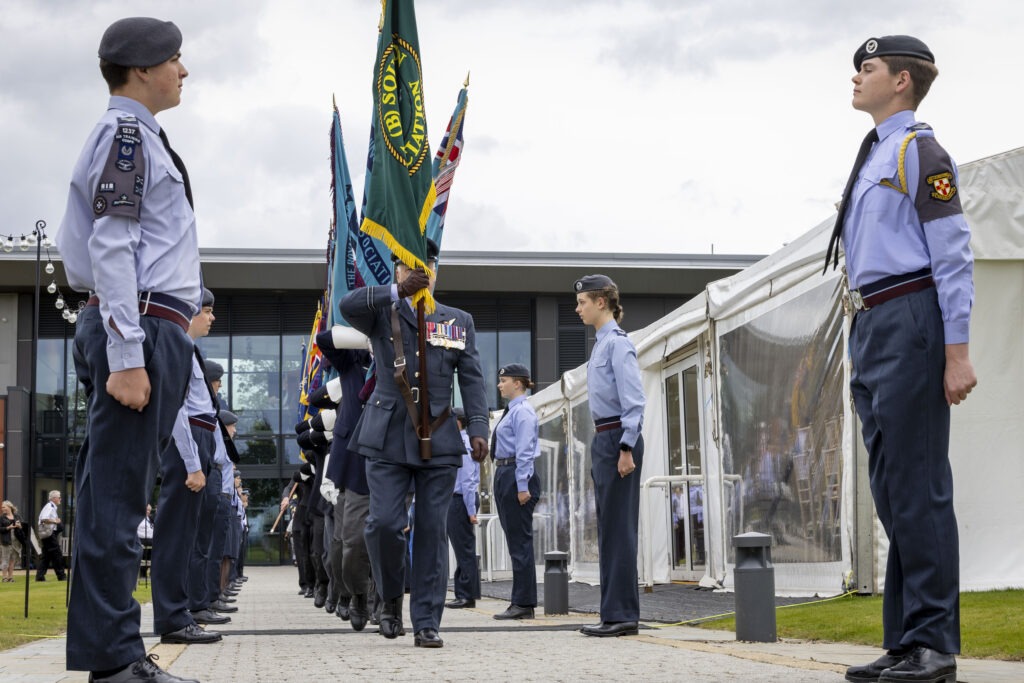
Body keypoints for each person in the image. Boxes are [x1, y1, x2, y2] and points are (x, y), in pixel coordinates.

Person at [55, 16, 202, 681]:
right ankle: (116, 663)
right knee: (117, 502)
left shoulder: (135, 137)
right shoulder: (126, 137)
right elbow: (113, 247)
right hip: (138, 325)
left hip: (144, 322)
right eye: (175, 59)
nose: (183, 70)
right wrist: (128, 356)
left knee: (113, 496)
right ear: (142, 70)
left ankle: (111, 653)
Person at [827, 36, 975, 683]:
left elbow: (952, 252)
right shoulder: (874, 156)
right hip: (871, 320)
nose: (857, 76)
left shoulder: (921, 151)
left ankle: (935, 643)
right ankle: (905, 640)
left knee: (919, 487)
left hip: (910, 314)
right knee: (892, 491)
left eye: (870, 68)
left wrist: (957, 351)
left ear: (903, 82)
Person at [339, 238, 489, 649]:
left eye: (426, 266)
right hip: (387, 436)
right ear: (397, 271)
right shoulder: (380, 313)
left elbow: (472, 378)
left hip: (439, 437)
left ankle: (427, 620)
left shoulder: (457, 321)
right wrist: (395, 292)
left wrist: (478, 426)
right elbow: (346, 306)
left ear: (435, 271)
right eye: (408, 267)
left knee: (430, 532)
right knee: (384, 524)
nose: (419, 273)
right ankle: (388, 599)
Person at [574, 274, 645, 638]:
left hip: (619, 437)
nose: (578, 308)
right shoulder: (600, 345)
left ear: (602, 301)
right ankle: (613, 612)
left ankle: (622, 615)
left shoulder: (618, 345)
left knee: (618, 529)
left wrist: (626, 447)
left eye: (583, 301)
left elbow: (634, 400)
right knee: (608, 529)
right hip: (605, 437)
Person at [153, 287, 221, 645]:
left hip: (200, 438)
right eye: (206, 310)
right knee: (176, 535)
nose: (211, 317)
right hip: (189, 442)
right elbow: (178, 409)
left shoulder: (190, 349)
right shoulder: (178, 344)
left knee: (187, 534)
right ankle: (172, 618)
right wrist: (193, 463)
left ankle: (179, 614)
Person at [490, 364, 541, 620]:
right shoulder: (512, 411)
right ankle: (521, 600)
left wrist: (522, 486)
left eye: (504, 380)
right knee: (515, 542)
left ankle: (523, 603)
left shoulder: (523, 413)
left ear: (518, 383)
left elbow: (525, 452)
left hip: (516, 475)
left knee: (520, 542)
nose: (500, 385)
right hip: (505, 473)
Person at [445, 408, 481, 609]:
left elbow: (467, 481)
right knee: (462, 548)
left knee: (464, 548)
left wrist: (470, 511)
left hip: (460, 500)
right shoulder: (462, 442)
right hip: (459, 500)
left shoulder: (463, 445)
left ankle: (467, 595)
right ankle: (464, 592)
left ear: (457, 422)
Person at [36, 490, 66, 581]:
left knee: (46, 556)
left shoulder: (51, 507)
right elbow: (44, 519)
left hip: (47, 535)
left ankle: (40, 576)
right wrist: (55, 521)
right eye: (59, 497)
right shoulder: (50, 506)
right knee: (57, 554)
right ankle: (61, 576)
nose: (60, 499)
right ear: (54, 498)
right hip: (49, 535)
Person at [0, 501, 26, 582]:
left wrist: (20, 526)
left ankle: (10, 577)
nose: (2, 508)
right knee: (5, 559)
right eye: (2, 507)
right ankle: (4, 577)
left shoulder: (17, 516)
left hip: (16, 541)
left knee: (12, 560)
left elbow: (23, 527)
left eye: (4, 507)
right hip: (6, 541)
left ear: (9, 507)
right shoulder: (2, 518)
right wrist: (8, 527)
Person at [137, 505, 154, 580]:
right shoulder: (138, 518)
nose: (148, 512)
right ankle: (142, 573)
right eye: (147, 510)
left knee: (153, 556)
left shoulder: (149, 519)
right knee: (145, 557)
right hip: (142, 540)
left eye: (149, 510)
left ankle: (150, 573)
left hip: (151, 541)